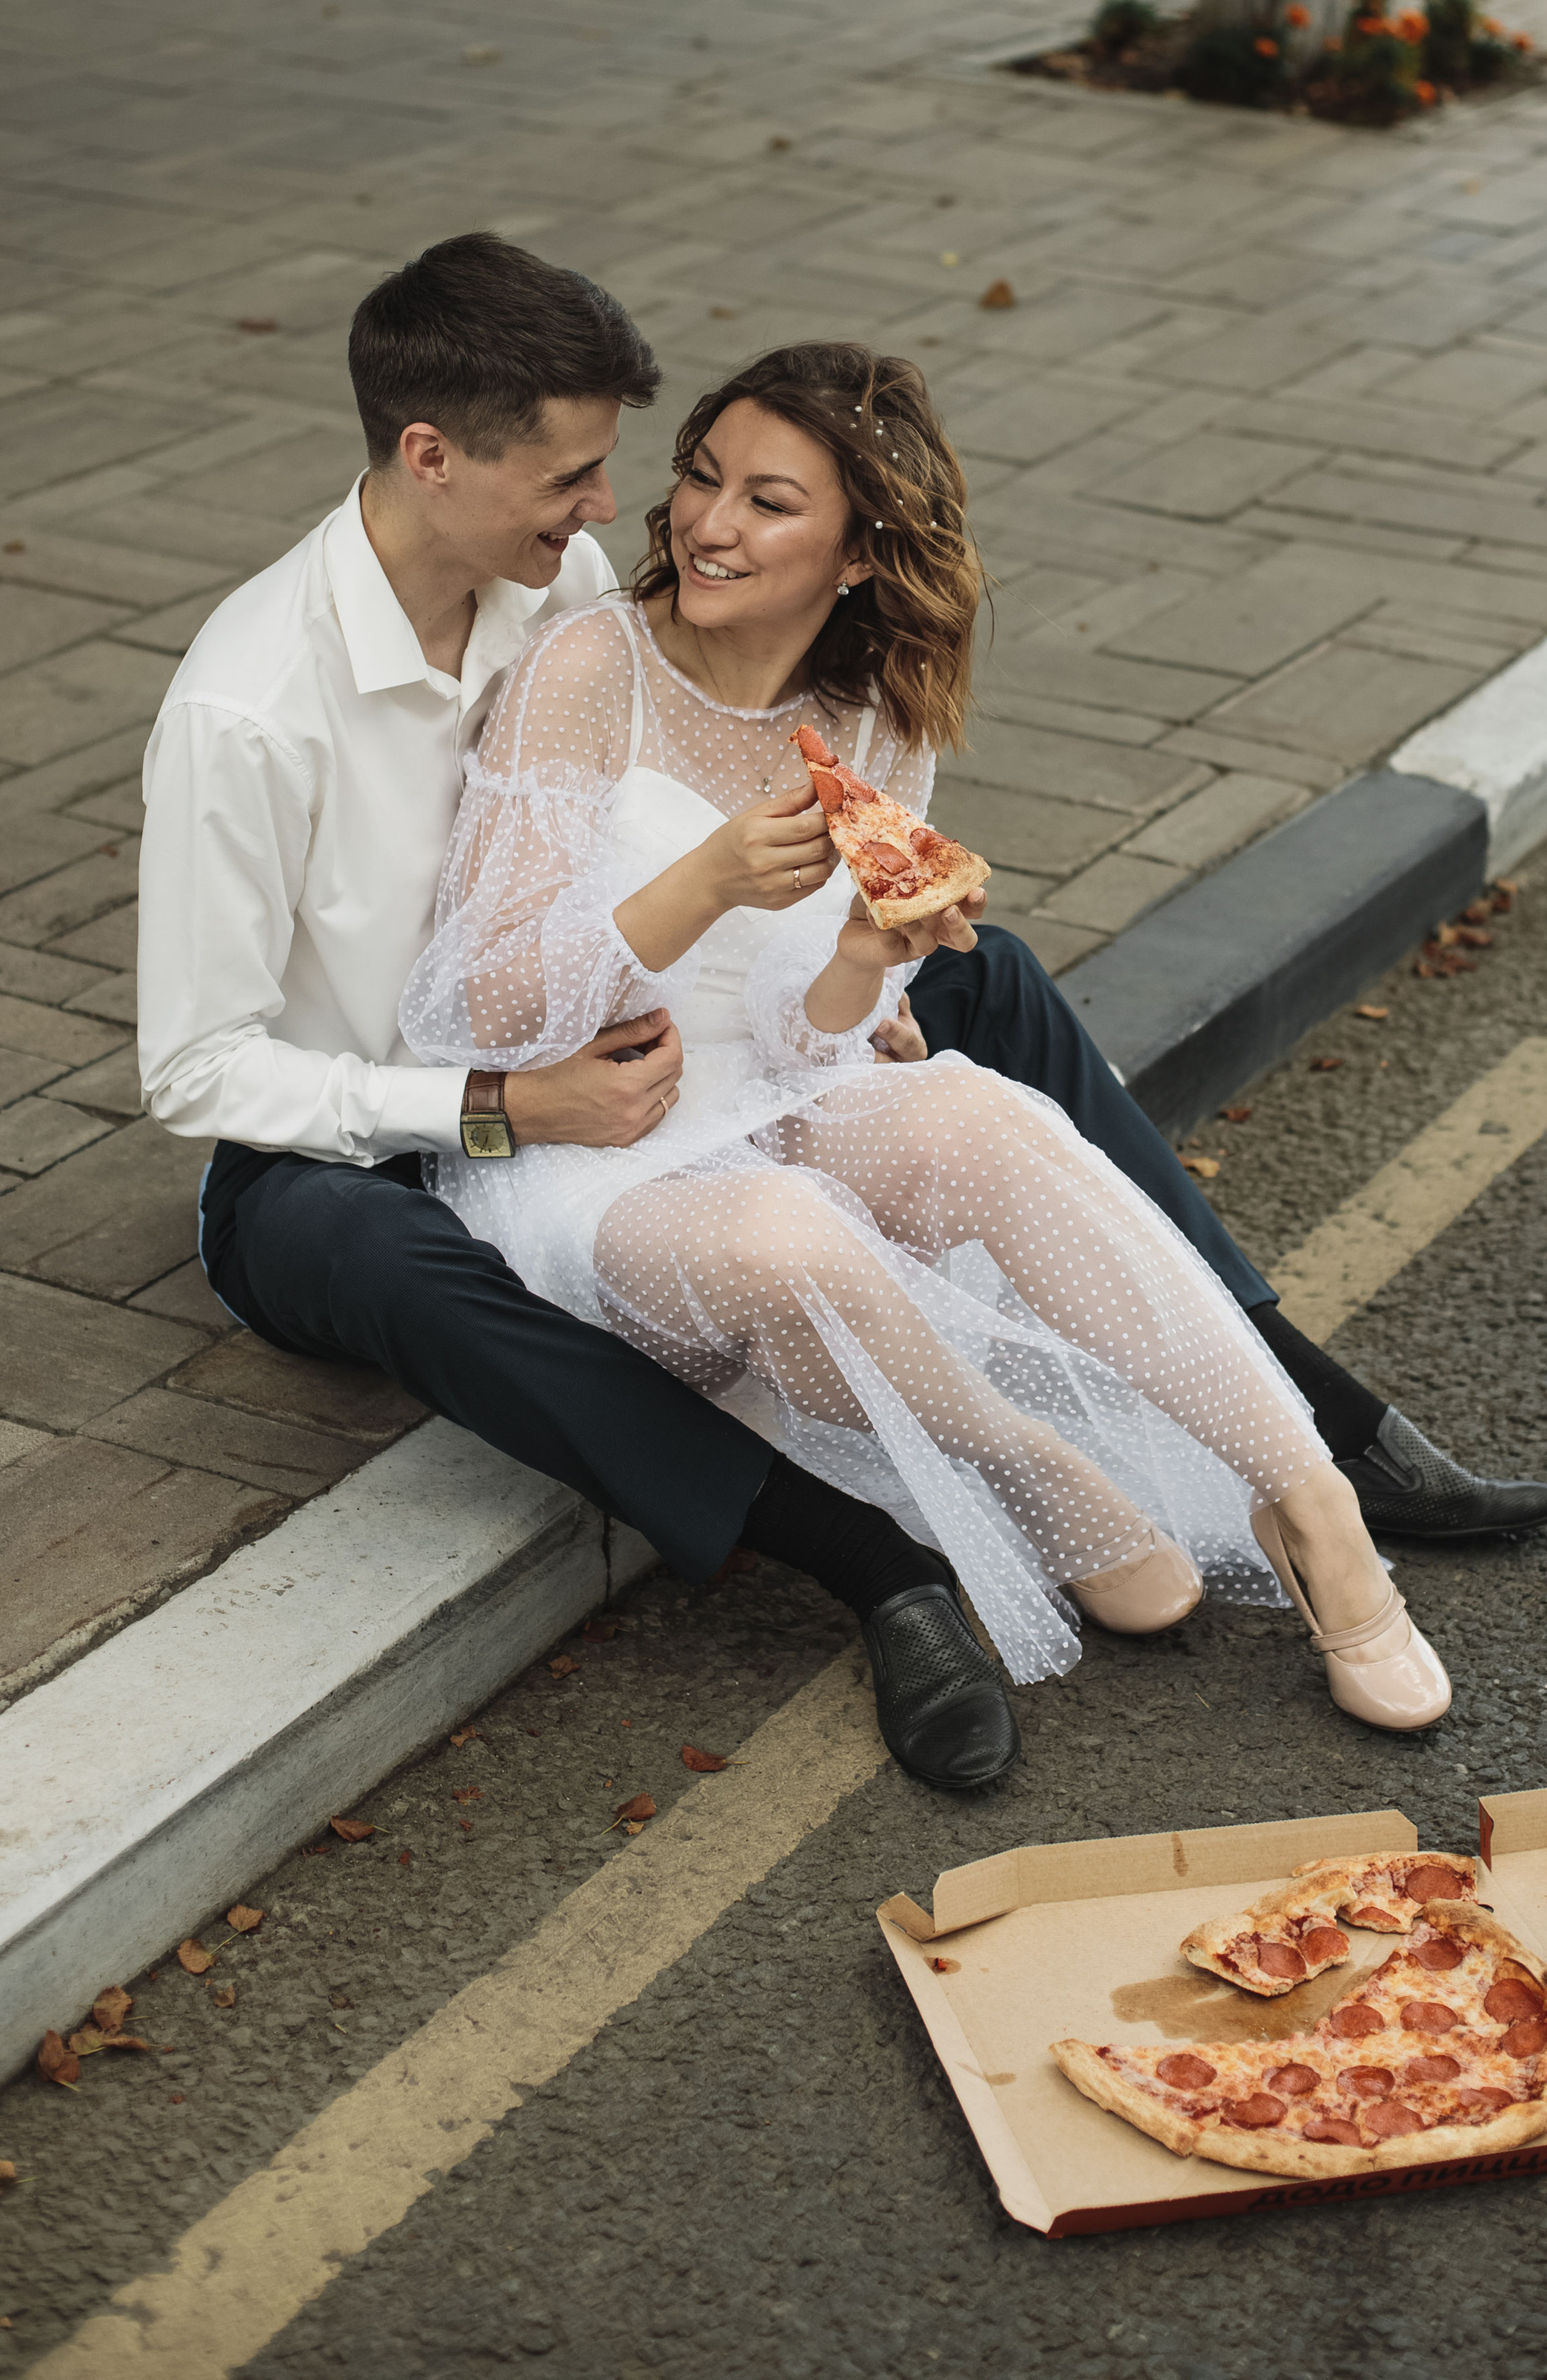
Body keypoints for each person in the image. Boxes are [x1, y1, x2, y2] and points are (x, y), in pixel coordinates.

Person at [136, 236, 1547, 1795]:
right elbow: (209, 1067)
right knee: (390, 1249)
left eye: (648, 475)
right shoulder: (255, 709)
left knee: (980, 995)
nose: (626, 511)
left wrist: (862, 972)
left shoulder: (561, 589)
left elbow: (738, 891)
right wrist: (502, 1104)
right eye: (586, 475)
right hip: (376, 1132)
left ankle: (1310, 1439)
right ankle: (876, 1558)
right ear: (433, 458)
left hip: (664, 1047)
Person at [395, 333, 1456, 1725]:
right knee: (793, 1234)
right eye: (705, 480)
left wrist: (855, 959)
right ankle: (1024, 1456)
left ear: (857, 553)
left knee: (991, 1115)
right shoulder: (588, 672)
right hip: (579, 1144)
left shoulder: (874, 716)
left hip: (761, 1102)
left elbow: (805, 1044)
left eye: (770, 502)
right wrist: (700, 885)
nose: (710, 525)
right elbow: (484, 1008)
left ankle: (1315, 1513)